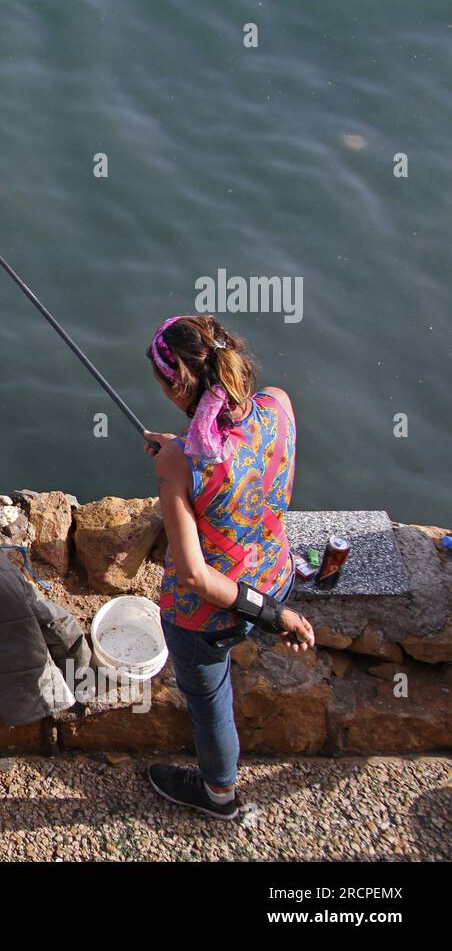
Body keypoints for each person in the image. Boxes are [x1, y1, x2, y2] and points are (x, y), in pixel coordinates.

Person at [140, 314, 315, 820]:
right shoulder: (277, 404)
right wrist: (182, 443)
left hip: (209, 614)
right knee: (236, 647)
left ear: (175, 386)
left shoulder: (177, 462)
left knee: (209, 702)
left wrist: (174, 459)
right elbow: (238, 457)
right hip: (275, 574)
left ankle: (219, 796)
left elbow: (194, 575)